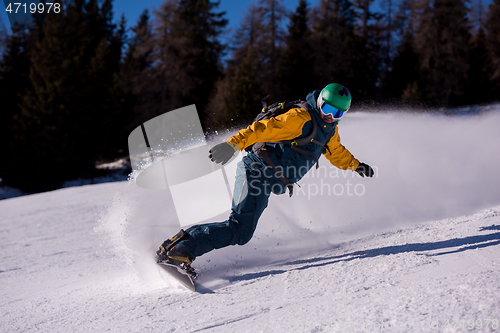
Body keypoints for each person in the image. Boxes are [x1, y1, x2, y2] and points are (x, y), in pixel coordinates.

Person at [156, 83, 374, 275]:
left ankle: (175, 247)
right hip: (256, 171)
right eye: (327, 108)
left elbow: (336, 153)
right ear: (319, 102)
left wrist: (356, 165)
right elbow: (262, 130)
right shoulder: (300, 119)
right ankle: (182, 251)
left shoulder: (329, 131)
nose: (330, 116)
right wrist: (234, 144)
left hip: (267, 181)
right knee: (240, 230)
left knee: (239, 227)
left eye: (338, 113)